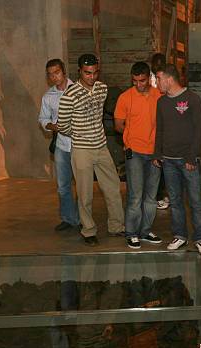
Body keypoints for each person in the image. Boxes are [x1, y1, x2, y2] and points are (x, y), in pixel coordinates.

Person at [57, 53, 125, 246]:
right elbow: (63, 125)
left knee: (112, 188)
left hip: (102, 147)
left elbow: (99, 114)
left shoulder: (102, 89)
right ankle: (88, 230)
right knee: (85, 194)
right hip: (82, 151)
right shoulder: (69, 95)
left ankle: (116, 226)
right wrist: (80, 134)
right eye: (87, 73)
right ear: (79, 71)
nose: (92, 77)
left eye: (95, 72)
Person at [153, 64, 201, 254]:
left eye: (158, 78)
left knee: (195, 201)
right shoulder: (161, 102)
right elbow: (159, 129)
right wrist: (157, 153)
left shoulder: (192, 99)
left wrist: (192, 156)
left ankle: (200, 238)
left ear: (169, 79)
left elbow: (200, 130)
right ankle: (180, 236)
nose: (156, 82)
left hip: (188, 161)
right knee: (175, 201)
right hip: (168, 160)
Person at [114, 62, 163, 249]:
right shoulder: (125, 97)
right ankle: (131, 232)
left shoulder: (159, 96)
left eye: (142, 80)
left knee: (151, 196)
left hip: (155, 153)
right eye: (135, 81)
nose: (138, 84)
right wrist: (130, 134)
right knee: (135, 195)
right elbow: (118, 124)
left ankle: (145, 231)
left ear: (148, 78)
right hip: (134, 151)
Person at [38, 59, 80, 232]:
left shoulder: (78, 90)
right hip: (62, 146)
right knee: (63, 186)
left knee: (83, 186)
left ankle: (84, 219)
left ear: (64, 72)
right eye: (50, 74)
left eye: (57, 72)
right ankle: (69, 219)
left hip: (80, 144)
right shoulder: (48, 97)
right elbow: (43, 119)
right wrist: (51, 126)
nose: (54, 76)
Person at [150, 53, 170, 210]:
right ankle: (156, 195)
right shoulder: (149, 80)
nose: (157, 66)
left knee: (163, 167)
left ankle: (163, 195)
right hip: (151, 131)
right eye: (155, 64)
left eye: (160, 63)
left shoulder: (166, 79)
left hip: (163, 130)